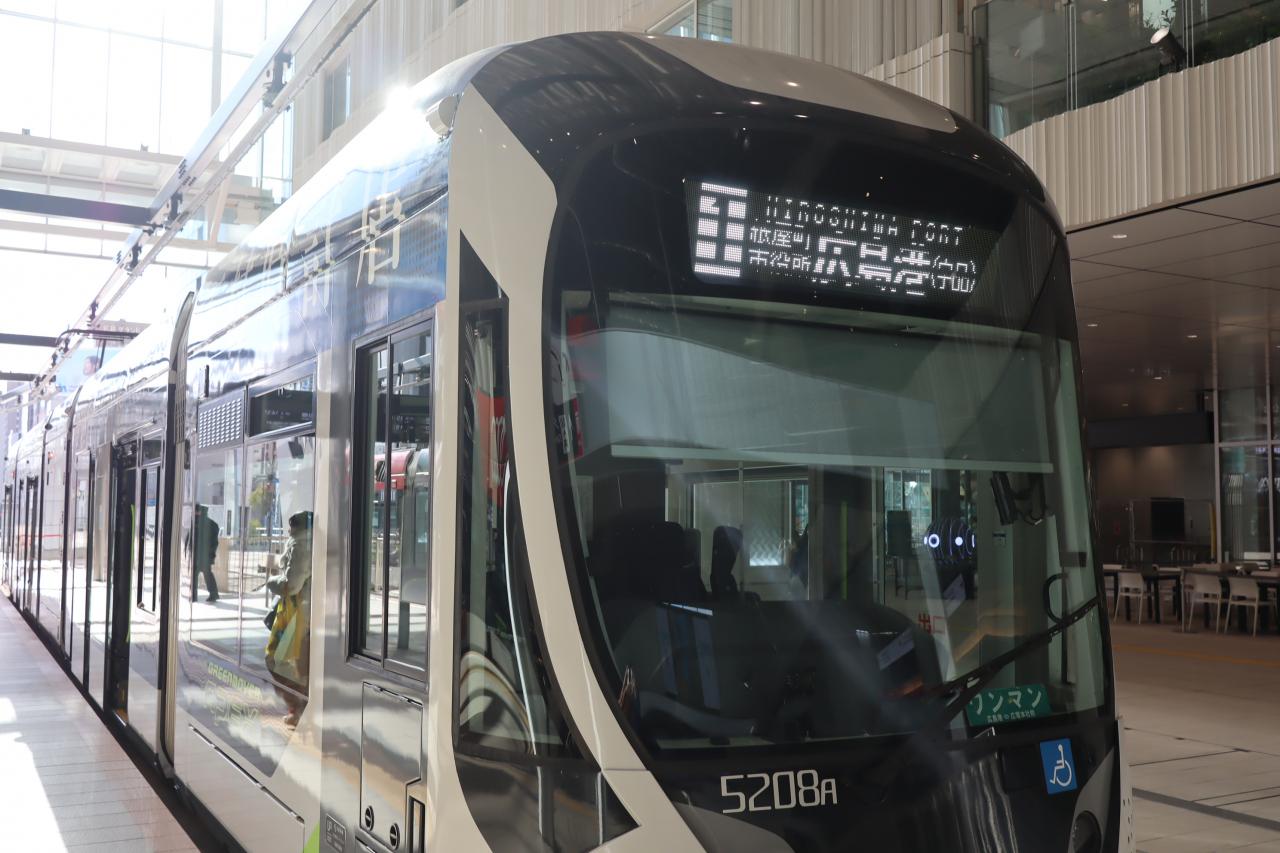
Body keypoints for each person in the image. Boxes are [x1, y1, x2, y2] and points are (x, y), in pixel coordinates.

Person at [265, 510, 313, 728]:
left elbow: (291, 585)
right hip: (306, 611)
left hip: (298, 612)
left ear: (295, 527)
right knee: (300, 662)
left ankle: (298, 708)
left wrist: (271, 582)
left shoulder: (299, 545)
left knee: (276, 659)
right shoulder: (311, 542)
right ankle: (298, 710)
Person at [187, 504, 220, 602]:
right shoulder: (209, 524)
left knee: (203, 575)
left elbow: (213, 542)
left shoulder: (202, 524)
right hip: (201, 555)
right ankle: (212, 594)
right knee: (204, 574)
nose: (195, 514)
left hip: (202, 555)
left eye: (196, 512)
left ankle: (195, 595)